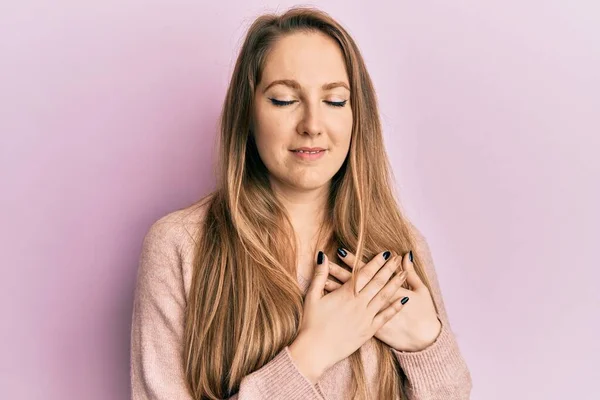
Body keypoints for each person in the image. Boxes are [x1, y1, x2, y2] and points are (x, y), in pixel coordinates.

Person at [130, 6, 472, 400]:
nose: (312, 123)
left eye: (335, 100)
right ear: (248, 113)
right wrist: (313, 353)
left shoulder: (399, 245)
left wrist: (427, 346)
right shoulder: (180, 246)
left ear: (357, 116)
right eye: (283, 99)